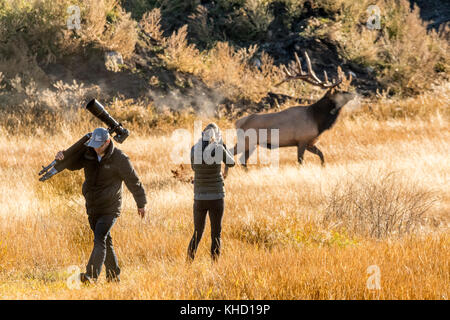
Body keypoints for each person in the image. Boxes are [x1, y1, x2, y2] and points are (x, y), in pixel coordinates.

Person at [55, 127, 147, 283]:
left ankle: (91, 276)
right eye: (94, 144)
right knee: (105, 241)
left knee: (99, 239)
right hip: (92, 205)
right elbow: (72, 165)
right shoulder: (88, 153)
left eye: (99, 145)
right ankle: (113, 277)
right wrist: (62, 157)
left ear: (107, 141)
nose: (96, 148)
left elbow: (134, 181)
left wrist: (141, 203)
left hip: (110, 207)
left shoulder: (120, 158)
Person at [187, 123, 235, 262]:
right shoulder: (219, 148)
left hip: (199, 197)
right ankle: (215, 265)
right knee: (216, 234)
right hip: (217, 196)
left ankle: (188, 263)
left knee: (197, 232)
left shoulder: (194, 149)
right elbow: (231, 163)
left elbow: (194, 168)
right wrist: (223, 146)